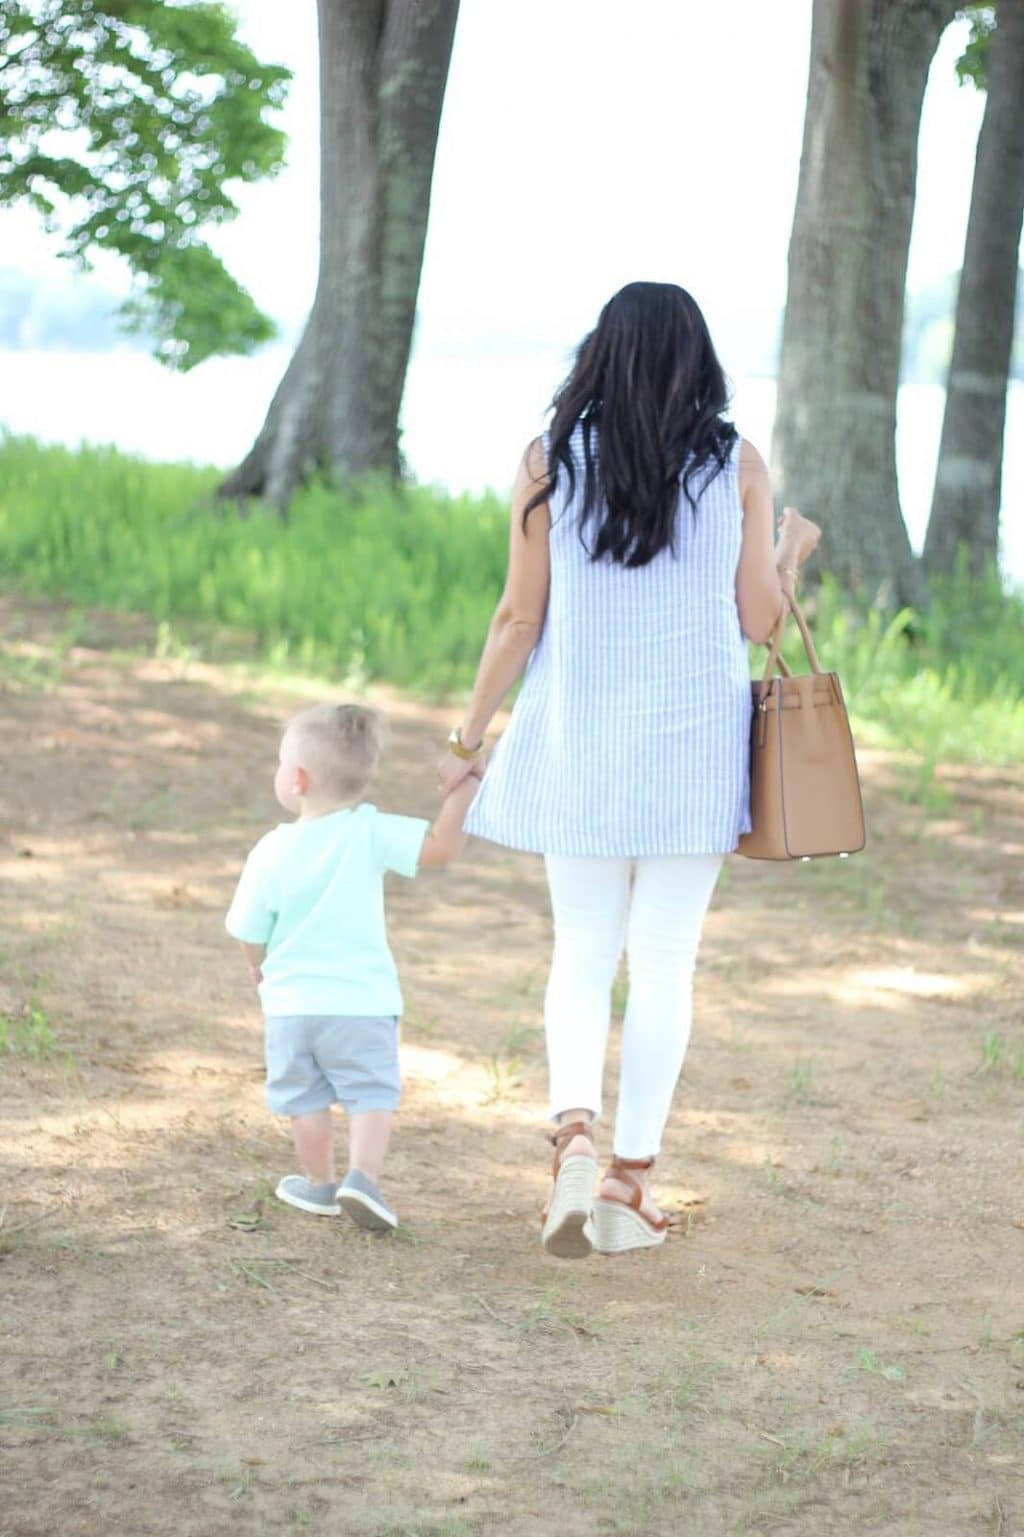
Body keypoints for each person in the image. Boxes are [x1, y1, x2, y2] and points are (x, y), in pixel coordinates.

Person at [438, 281, 821, 1259]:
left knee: (580, 949)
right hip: (694, 755)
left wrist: (469, 733)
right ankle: (626, 1182)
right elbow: (757, 621)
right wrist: (788, 553)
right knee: (664, 965)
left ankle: (572, 1133)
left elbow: (518, 619)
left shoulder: (547, 462)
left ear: (598, 357)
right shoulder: (734, 464)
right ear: (698, 364)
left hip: (581, 747)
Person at [226, 703, 479, 1231]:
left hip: (293, 1008)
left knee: (307, 1100)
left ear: (296, 780)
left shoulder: (271, 849)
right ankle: (362, 1178)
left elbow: (250, 931)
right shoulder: (368, 830)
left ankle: (319, 1184)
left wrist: (259, 967)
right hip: (363, 1003)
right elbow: (442, 847)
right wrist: (466, 787)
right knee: (370, 1093)